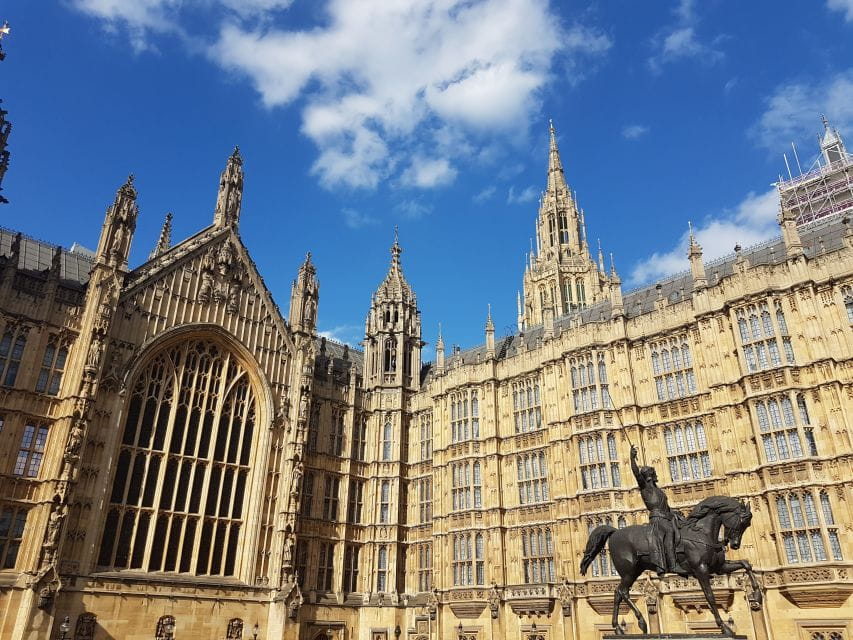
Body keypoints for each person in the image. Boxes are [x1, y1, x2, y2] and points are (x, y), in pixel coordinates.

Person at [630, 444, 679, 576]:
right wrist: (632, 458)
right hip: (657, 520)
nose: (656, 474)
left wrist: (675, 514)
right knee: (669, 531)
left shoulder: (658, 491)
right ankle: (672, 564)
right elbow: (636, 473)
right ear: (650, 476)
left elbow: (666, 507)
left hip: (667, 517)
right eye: (654, 473)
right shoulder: (646, 488)